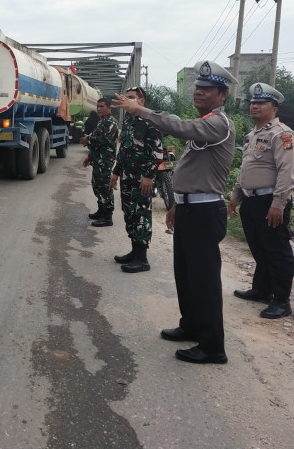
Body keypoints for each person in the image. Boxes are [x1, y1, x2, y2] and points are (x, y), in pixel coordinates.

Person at [113, 61, 235, 364]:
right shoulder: (207, 121)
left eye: (207, 89)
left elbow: (179, 127)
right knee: (186, 274)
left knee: (204, 280)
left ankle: (212, 347)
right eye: (198, 87)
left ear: (223, 94)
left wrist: (140, 110)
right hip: (191, 208)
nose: (199, 92)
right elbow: (192, 170)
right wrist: (177, 204)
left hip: (206, 211)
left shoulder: (218, 123)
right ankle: (191, 325)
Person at [228, 83, 294, 319]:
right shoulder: (253, 135)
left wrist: (278, 204)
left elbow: (286, 172)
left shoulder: (283, 135)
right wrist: (236, 194)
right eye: (253, 102)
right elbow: (246, 167)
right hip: (251, 200)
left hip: (270, 201)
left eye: (261, 103)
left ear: (274, 108)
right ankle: (261, 290)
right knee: (259, 248)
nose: (254, 106)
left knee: (277, 251)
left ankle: (282, 301)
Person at [109, 86, 164, 273]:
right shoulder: (129, 123)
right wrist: (116, 172)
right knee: (130, 214)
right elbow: (123, 151)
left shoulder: (150, 121)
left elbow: (157, 152)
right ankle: (134, 251)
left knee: (141, 215)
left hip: (142, 180)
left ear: (142, 101)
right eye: (126, 97)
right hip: (127, 178)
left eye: (131, 97)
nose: (127, 100)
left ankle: (142, 258)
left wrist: (149, 176)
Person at [80, 98, 118, 227]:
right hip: (98, 160)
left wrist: (87, 139)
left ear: (109, 108)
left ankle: (107, 217)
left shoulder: (111, 122)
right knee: (97, 186)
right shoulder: (102, 122)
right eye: (98, 106)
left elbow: (104, 140)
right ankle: (101, 211)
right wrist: (89, 157)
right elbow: (96, 142)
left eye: (102, 106)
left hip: (105, 160)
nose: (99, 109)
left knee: (105, 187)